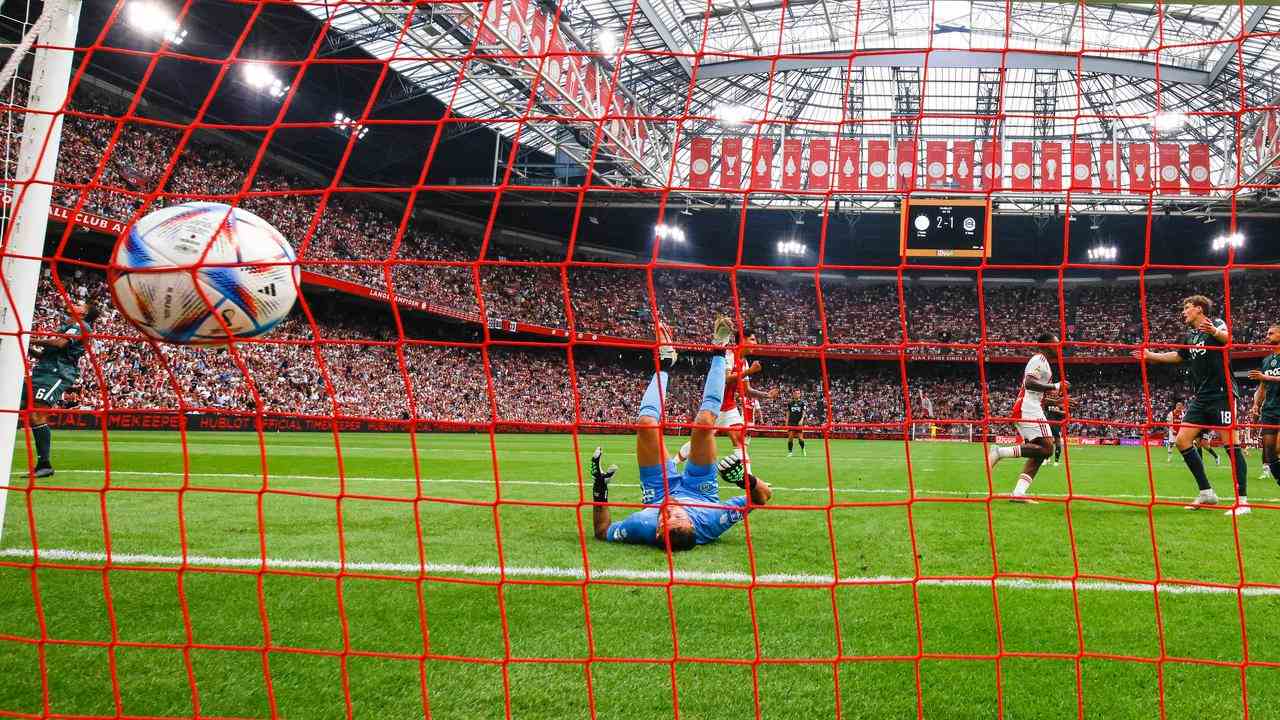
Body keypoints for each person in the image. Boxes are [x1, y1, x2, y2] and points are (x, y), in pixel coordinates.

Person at [591, 318, 773, 550]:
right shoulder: (711, 520)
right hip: (700, 491)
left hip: (658, 491)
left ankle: (665, 363)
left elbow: (602, 531)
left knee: (646, 424)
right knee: (704, 424)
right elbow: (763, 497)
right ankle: (719, 348)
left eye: (664, 521)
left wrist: (599, 491)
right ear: (692, 524)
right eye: (677, 518)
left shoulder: (642, 524)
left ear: (656, 531)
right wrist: (745, 480)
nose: (670, 514)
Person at [1131, 295, 1248, 516]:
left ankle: (1243, 501)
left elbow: (1229, 339)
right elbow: (1178, 356)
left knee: (1231, 446)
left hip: (1222, 394)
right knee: (1182, 440)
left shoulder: (1216, 324)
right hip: (1201, 396)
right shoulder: (1190, 335)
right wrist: (1150, 355)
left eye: (1186, 308)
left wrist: (1214, 332)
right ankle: (1206, 492)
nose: (1183, 312)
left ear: (1199, 309)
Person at [23, 300, 100, 478]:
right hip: (42, 371)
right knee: (14, 405)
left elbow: (59, 344)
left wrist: (30, 338)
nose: (74, 303)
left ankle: (45, 464)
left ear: (83, 313)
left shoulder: (83, 326)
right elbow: (46, 353)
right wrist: (27, 347)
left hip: (57, 374)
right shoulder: (66, 326)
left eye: (79, 304)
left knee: (37, 414)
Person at [987, 333, 1067, 503]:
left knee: (1040, 453)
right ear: (1045, 345)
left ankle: (1018, 493)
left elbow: (1039, 396)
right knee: (1047, 448)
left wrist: (1059, 400)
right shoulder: (1039, 359)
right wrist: (1055, 386)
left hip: (1031, 407)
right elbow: (1029, 383)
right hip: (1027, 408)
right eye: (1055, 344)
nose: (1059, 347)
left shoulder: (1046, 366)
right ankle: (999, 452)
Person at [1247, 323, 1280, 485]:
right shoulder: (1267, 360)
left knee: (1278, 448)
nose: (1267, 336)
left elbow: (1265, 379)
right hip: (1269, 409)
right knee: (1269, 450)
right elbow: (1262, 386)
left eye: (1271, 333)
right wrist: (1256, 405)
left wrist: (1266, 377)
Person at [786, 389, 807, 457]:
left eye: (798, 393)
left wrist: (801, 420)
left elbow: (804, 412)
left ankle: (803, 449)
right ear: (793, 394)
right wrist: (786, 421)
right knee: (790, 438)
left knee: (800, 438)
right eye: (796, 393)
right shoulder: (790, 403)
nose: (797, 394)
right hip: (791, 422)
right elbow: (788, 413)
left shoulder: (802, 403)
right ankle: (790, 452)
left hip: (799, 423)